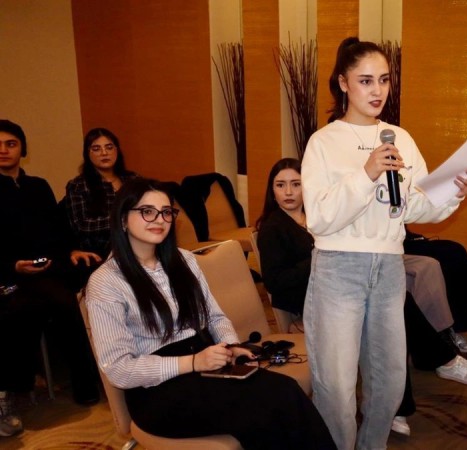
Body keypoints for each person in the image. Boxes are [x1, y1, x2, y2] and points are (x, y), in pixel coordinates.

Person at [301, 37, 467, 449]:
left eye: (383, 80)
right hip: (338, 268)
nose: (377, 90)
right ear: (343, 83)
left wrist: (453, 193)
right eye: (365, 80)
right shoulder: (324, 142)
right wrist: (366, 173)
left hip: (388, 268)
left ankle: (372, 444)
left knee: (391, 379)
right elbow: (321, 217)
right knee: (337, 386)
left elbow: (413, 207)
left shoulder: (400, 138)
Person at [85, 177, 335, 448]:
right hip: (157, 391)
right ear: (123, 219)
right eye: (147, 211)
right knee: (266, 408)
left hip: (206, 363)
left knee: (284, 391)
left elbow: (215, 317)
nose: (159, 219)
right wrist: (193, 362)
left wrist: (231, 346)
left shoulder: (184, 260)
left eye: (166, 212)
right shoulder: (106, 281)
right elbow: (119, 369)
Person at [256, 158, 467, 437]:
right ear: (272, 191)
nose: (289, 192)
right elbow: (275, 281)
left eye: (296, 184)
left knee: (394, 303)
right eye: (280, 185)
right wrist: (320, 257)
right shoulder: (273, 227)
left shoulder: (319, 215)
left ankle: (408, 389)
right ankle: (419, 383)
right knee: (393, 308)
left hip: (341, 287)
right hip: (309, 299)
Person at [0, 119, 102, 437]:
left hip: (49, 266)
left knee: (94, 275)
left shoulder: (38, 186)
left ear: (22, 149)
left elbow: (58, 227)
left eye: (11, 144)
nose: (3, 150)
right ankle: (17, 390)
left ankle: (90, 376)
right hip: (11, 272)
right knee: (45, 304)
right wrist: (13, 265)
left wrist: (72, 249)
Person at [403, 229, 467, 334]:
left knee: (456, 250)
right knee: (440, 263)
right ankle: (453, 327)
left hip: (404, 240)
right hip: (394, 250)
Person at [65, 128, 138, 259]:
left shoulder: (133, 180)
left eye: (109, 147)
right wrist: (123, 220)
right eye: (96, 149)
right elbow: (81, 226)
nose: (104, 153)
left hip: (136, 245)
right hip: (99, 252)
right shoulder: (78, 185)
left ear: (117, 150)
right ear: (87, 154)